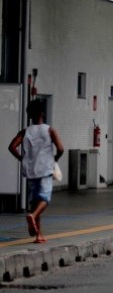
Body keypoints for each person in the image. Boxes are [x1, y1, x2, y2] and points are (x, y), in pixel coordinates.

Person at [8, 99, 64, 243]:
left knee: (35, 202)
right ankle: (32, 216)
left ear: (30, 115)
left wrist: (22, 158)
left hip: (31, 170)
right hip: (45, 169)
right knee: (44, 199)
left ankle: (39, 235)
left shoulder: (26, 131)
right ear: (42, 113)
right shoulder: (49, 130)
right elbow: (61, 148)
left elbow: (12, 146)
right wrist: (54, 159)